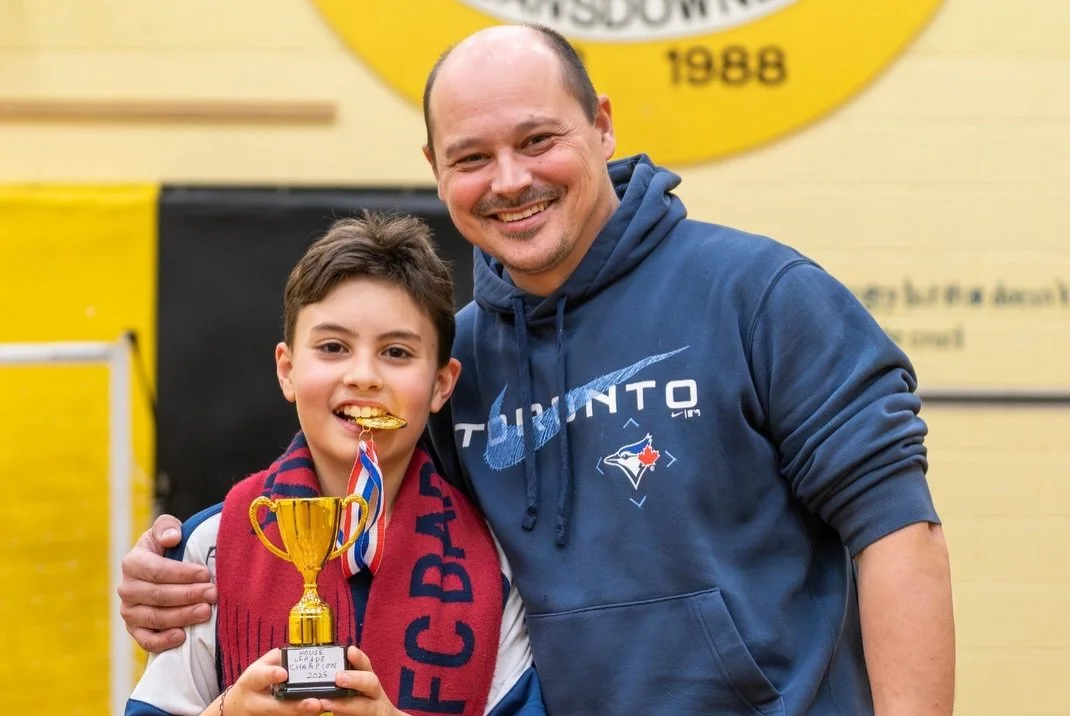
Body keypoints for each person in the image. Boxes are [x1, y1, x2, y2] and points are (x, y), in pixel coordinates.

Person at [119, 24, 955, 715]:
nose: (511, 180)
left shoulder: (763, 295)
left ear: (602, 124)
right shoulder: (461, 359)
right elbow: (362, 492)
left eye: (538, 139)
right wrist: (188, 557)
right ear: (436, 168)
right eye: (471, 156)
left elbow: (897, 533)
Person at [125, 212, 545, 716]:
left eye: (395, 351)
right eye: (332, 347)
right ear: (287, 369)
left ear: (441, 385)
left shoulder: (492, 560)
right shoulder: (211, 544)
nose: (363, 375)